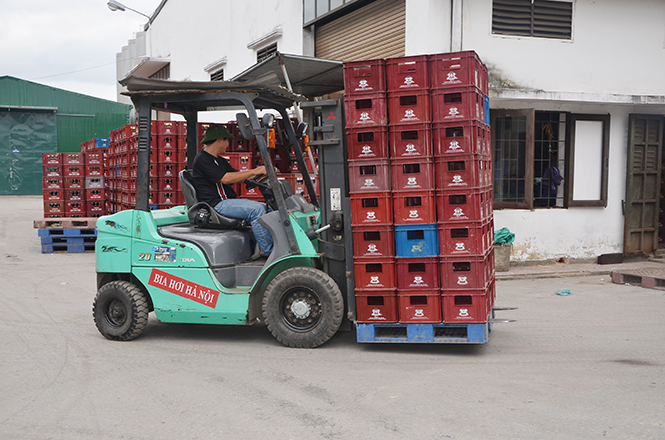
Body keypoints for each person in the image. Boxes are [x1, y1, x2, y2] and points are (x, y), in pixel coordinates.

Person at [192, 124, 273, 256]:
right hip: (216, 204)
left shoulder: (220, 161)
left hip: (225, 201)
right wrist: (255, 170)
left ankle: (275, 246)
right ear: (219, 140)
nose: (228, 144)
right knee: (257, 210)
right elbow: (225, 179)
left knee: (269, 208)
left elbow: (239, 177)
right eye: (227, 140)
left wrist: (261, 172)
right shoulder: (203, 159)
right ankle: (268, 251)